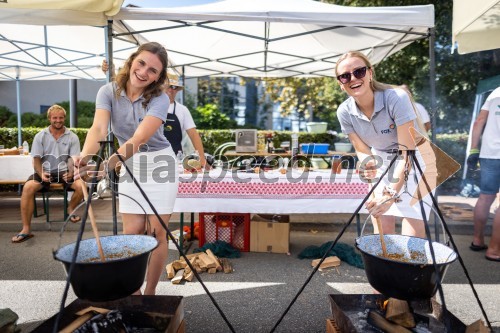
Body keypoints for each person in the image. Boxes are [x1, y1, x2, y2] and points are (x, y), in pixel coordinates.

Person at [75, 42, 177, 295]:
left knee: (156, 234)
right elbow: (98, 129)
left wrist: (109, 164)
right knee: (132, 234)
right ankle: (135, 292)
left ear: (158, 77)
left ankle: (151, 292)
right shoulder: (108, 91)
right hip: (130, 162)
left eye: (153, 70)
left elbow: (139, 138)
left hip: (159, 163)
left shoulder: (160, 98)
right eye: (141, 63)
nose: (144, 72)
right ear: (132, 61)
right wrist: (86, 157)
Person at [335, 51, 436, 238]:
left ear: (370, 73)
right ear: (340, 83)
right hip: (382, 157)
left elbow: (407, 154)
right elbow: (361, 148)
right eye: (345, 75)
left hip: (417, 158)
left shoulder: (396, 97)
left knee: (411, 236)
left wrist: (390, 194)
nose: (353, 78)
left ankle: (409, 267)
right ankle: (384, 268)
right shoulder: (344, 111)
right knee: (381, 229)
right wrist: (368, 162)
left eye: (359, 71)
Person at [102, 60, 208, 168]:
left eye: (174, 87)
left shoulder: (182, 110)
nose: (171, 90)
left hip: (173, 160)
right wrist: (112, 74)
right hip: (135, 159)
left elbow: (194, 135)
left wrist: (202, 160)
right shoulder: (145, 103)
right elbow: (123, 94)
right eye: (169, 86)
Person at [11, 104, 84, 243]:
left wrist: (71, 171)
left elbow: (74, 159)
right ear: (49, 118)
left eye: (61, 117)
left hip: (64, 171)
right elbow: (36, 159)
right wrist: (41, 172)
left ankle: (70, 209)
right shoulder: (40, 136)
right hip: (44, 171)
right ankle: (26, 229)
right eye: (55, 118)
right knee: (27, 188)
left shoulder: (72, 136)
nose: (58, 120)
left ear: (64, 118)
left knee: (81, 186)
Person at [467, 86, 500, 262]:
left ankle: (477, 240)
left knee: (485, 197)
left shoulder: (495, 93)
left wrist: (473, 149)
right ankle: (495, 250)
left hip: (489, 153)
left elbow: (479, 121)